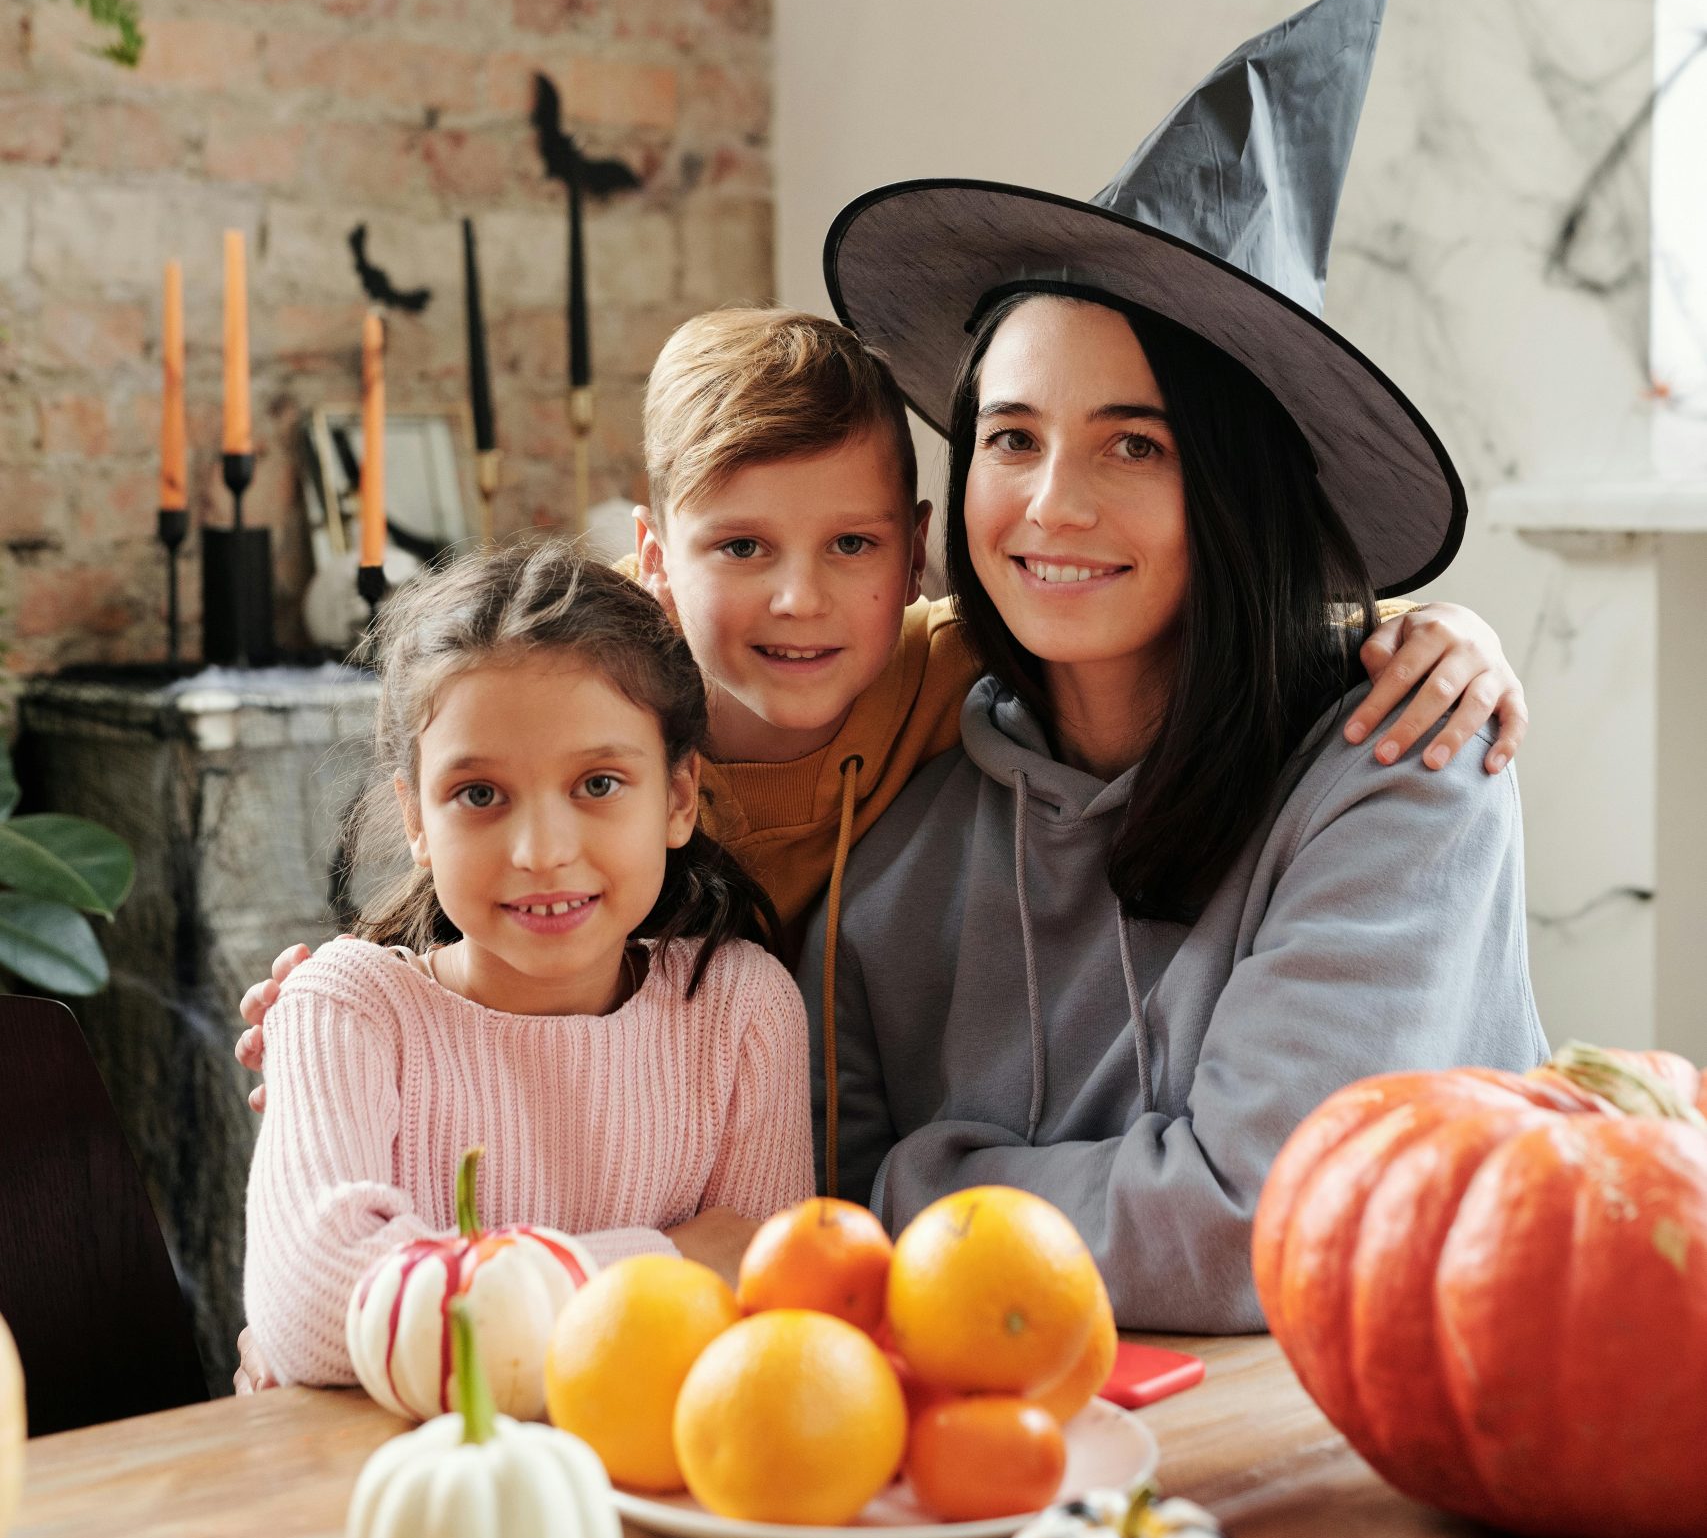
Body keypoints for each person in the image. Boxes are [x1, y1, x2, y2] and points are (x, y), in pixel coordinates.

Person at [237, 318, 1531, 1186]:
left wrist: (1427, 632)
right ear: (650, 560)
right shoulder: (603, 739)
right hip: (614, 1139)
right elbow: (491, 841)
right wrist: (354, 1000)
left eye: (848, 548)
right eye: (739, 548)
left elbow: (1210, 615)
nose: (799, 601)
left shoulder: (947, 658)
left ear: (911, 551)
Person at [801, 0, 1546, 1330]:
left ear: (1234, 489)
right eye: (1008, 438)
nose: (1048, 505)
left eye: (1132, 446)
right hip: (1002, 1476)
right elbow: (811, 1226)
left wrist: (924, 1189)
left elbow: (1251, 1222)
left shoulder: (1406, 773)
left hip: (1363, 1481)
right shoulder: (888, 849)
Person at [242, 541, 811, 1391]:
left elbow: (764, 1329)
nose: (540, 852)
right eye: (480, 795)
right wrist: (671, 1261)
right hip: (363, 1499)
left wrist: (425, 1310)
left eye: (598, 784)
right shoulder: (346, 1006)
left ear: (679, 797)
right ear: (416, 818)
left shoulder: (736, 1009)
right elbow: (318, 1319)